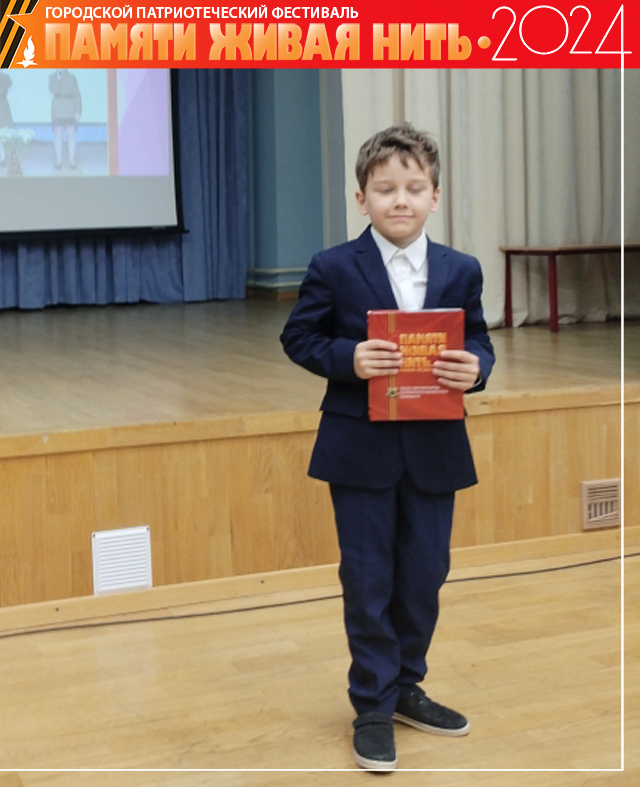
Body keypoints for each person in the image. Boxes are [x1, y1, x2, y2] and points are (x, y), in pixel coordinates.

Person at [280, 123, 495, 771]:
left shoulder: (462, 269)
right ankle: (372, 705)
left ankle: (405, 685)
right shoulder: (332, 267)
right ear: (361, 198)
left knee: (425, 575)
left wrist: (476, 369)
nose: (400, 200)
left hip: (435, 447)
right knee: (369, 577)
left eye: (414, 188)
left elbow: (479, 342)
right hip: (359, 448)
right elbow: (299, 338)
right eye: (384, 189)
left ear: (435, 196)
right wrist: (348, 359)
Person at [49, 69, 82, 169]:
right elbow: (53, 90)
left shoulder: (72, 77)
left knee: (71, 133)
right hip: (57, 107)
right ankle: (58, 160)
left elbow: (77, 94)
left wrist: (78, 111)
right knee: (57, 133)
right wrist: (58, 79)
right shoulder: (52, 77)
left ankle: (71, 160)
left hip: (71, 108)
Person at [0, 72, 12, 168]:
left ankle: (2, 158)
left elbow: (9, 83)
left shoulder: (4, 77)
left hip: (2, 105)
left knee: (3, 132)